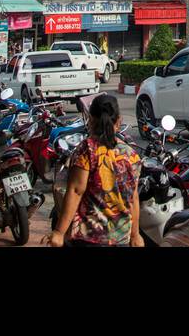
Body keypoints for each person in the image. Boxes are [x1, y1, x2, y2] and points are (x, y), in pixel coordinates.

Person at [45, 93, 143, 247]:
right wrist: (135, 235)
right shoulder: (131, 155)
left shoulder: (87, 150)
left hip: (90, 237)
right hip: (120, 238)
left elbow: (76, 191)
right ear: (118, 121)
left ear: (90, 120)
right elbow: (133, 198)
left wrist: (58, 232)